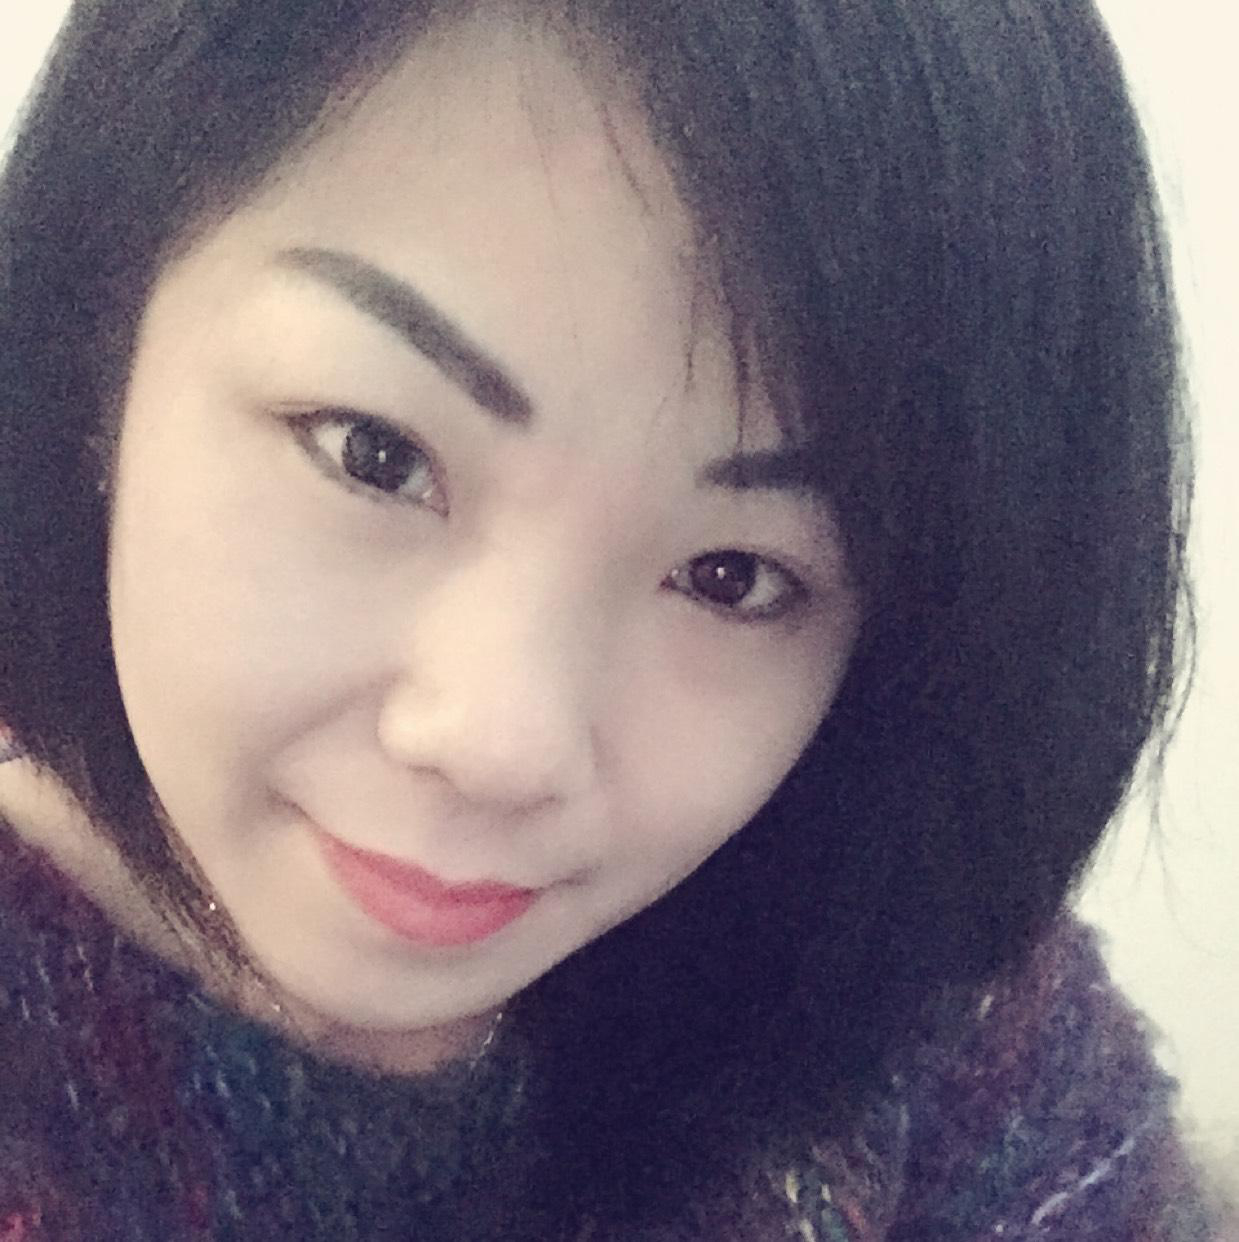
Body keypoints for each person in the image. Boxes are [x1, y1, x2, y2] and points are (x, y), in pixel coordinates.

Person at [0, 0, 1225, 1237]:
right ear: (100, 342)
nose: (503, 743)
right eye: (376, 455)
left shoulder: (935, 1026)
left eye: (733, 578)